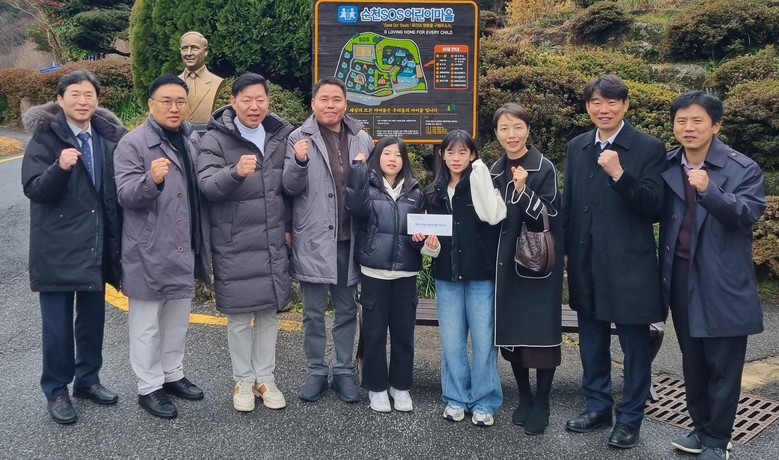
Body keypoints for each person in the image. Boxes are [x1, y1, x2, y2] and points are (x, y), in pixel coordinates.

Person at [562, 74, 666, 448]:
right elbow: (569, 203)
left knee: (634, 347)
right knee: (591, 340)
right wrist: (565, 251)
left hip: (629, 264)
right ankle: (597, 406)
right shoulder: (578, 146)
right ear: (587, 106)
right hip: (585, 261)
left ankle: (630, 418)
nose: (603, 109)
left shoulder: (649, 147)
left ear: (625, 105)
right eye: (596, 102)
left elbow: (655, 206)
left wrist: (620, 174)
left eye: (611, 102)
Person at [660, 91, 766, 460]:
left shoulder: (742, 168)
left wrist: (710, 190)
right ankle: (701, 429)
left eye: (697, 120)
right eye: (681, 121)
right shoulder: (668, 163)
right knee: (692, 361)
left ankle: (718, 440)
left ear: (716, 125)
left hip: (723, 279)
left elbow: (747, 213)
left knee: (723, 364)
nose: (688, 128)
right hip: (680, 275)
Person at [21, 70, 126, 424]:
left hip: (95, 245)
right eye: (75, 94)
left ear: (97, 100)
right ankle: (56, 389)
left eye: (89, 95)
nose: (83, 101)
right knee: (57, 327)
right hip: (56, 248)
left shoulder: (107, 136)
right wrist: (59, 167)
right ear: (60, 99)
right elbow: (35, 189)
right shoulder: (45, 138)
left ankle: (87, 379)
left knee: (92, 321)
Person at [114, 75, 211, 420]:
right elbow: (124, 195)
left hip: (184, 244)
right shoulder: (133, 143)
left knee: (176, 320)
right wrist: (150, 180)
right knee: (146, 324)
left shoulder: (191, 139)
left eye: (180, 101)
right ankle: (149, 387)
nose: (174, 108)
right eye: (166, 101)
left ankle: (172, 374)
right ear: (150, 104)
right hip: (149, 248)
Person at [197, 72, 294, 412]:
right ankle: (242, 379)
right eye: (247, 100)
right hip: (234, 241)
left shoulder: (281, 136)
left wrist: (289, 226)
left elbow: (291, 189)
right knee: (239, 317)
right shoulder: (215, 139)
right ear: (233, 102)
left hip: (271, 239)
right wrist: (235, 172)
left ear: (268, 101)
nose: (254, 106)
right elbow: (207, 186)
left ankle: (265, 377)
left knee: (269, 313)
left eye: (260, 99)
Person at [282, 76, 374, 403]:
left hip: (351, 238)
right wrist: (299, 162)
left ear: (345, 103)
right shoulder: (298, 138)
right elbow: (289, 187)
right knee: (313, 312)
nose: (330, 105)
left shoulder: (362, 139)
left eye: (337, 99)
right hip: (313, 236)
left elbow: (373, 188)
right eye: (324, 99)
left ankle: (344, 371)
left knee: (347, 309)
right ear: (313, 103)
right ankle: (317, 370)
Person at [345, 136, 436, 413]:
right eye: (386, 153)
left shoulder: (416, 193)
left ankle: (401, 386)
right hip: (374, 274)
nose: (392, 159)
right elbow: (354, 207)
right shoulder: (368, 186)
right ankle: (377, 388)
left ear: (404, 160)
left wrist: (422, 241)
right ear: (377, 157)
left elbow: (418, 236)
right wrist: (358, 171)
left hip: (405, 276)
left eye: (398, 154)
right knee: (374, 334)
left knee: (403, 334)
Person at [490, 103, 564, 435]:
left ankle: (543, 401)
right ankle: (524, 396)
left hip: (538, 265)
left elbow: (551, 216)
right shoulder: (493, 171)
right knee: (514, 334)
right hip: (505, 264)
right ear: (496, 133)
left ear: (528, 130)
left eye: (518, 127)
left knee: (541, 335)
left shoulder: (542, 167)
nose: (512, 135)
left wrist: (523, 192)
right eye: (504, 128)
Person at [426, 129, 505, 427]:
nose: (456, 158)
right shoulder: (433, 193)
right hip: (447, 276)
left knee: (484, 341)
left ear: (472, 155)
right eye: (450, 152)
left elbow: (495, 217)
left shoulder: (483, 182)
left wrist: (481, 173)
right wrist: (429, 244)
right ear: (442, 155)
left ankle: (484, 401)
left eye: (462, 152)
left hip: (481, 275)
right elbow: (427, 242)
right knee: (452, 342)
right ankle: (456, 398)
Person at [178, 31, 226, 124]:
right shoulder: (173, 84)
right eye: (184, 48)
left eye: (194, 48)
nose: (188, 53)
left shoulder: (217, 82)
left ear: (205, 51)